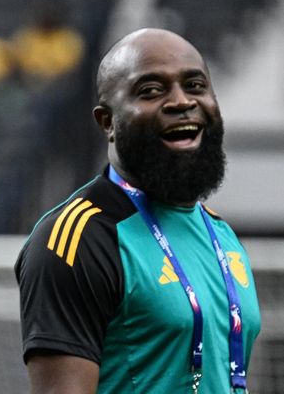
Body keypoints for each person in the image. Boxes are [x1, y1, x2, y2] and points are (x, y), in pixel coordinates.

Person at [15, 28, 261, 393]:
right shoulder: (76, 239)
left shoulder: (222, 236)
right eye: (151, 91)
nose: (181, 101)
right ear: (108, 122)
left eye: (195, 86)